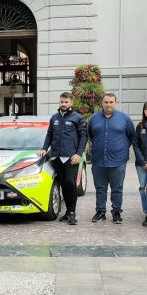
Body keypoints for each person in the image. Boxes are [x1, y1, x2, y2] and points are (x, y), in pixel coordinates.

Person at [37, 92, 88, 225]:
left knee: (71, 184)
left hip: (72, 158)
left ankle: (72, 213)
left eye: (66, 102)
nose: (63, 104)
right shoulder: (54, 118)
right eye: (61, 102)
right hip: (57, 157)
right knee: (63, 184)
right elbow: (49, 135)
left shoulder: (77, 117)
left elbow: (83, 137)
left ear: (71, 103)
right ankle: (67, 212)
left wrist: (79, 153)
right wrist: (44, 148)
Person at [87, 93, 135, 224]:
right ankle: (101, 212)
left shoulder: (124, 118)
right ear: (102, 103)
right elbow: (90, 135)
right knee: (100, 188)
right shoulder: (94, 119)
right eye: (106, 102)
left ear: (116, 103)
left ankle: (117, 212)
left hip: (118, 161)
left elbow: (132, 136)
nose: (108, 105)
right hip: (98, 160)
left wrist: (121, 148)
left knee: (117, 188)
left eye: (111, 102)